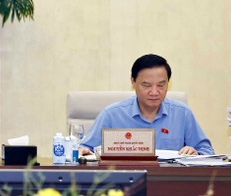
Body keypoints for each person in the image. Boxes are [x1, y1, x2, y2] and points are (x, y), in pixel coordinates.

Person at [78, 54, 213, 156]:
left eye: (161, 85)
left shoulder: (182, 113)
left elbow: (207, 152)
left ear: (168, 83)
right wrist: (83, 152)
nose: (154, 92)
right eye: (147, 85)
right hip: (124, 181)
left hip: (169, 180)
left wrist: (195, 153)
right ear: (133, 82)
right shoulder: (112, 115)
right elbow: (85, 150)